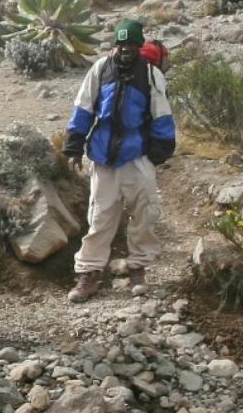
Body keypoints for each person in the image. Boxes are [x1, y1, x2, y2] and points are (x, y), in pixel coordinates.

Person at [63, 18, 176, 303]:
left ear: (139, 46)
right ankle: (89, 273)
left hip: (137, 155)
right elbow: (83, 107)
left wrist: (158, 153)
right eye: (121, 44)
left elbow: (161, 113)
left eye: (131, 45)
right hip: (103, 156)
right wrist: (74, 145)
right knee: (100, 216)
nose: (125, 49)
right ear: (115, 45)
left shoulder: (150, 74)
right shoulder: (101, 69)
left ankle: (137, 268)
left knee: (144, 213)